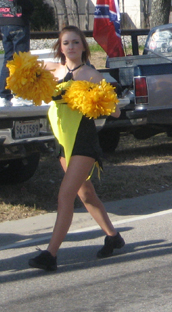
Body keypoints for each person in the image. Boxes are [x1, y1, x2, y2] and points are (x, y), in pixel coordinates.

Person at [28, 26, 124, 271]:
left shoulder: (91, 74)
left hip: (83, 141)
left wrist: (96, 100)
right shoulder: (54, 69)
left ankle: (50, 255)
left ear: (83, 46)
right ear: (60, 48)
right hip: (63, 142)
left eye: (75, 42)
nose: (70, 47)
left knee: (65, 196)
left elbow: (116, 111)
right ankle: (113, 237)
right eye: (66, 43)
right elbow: (24, 69)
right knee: (85, 194)